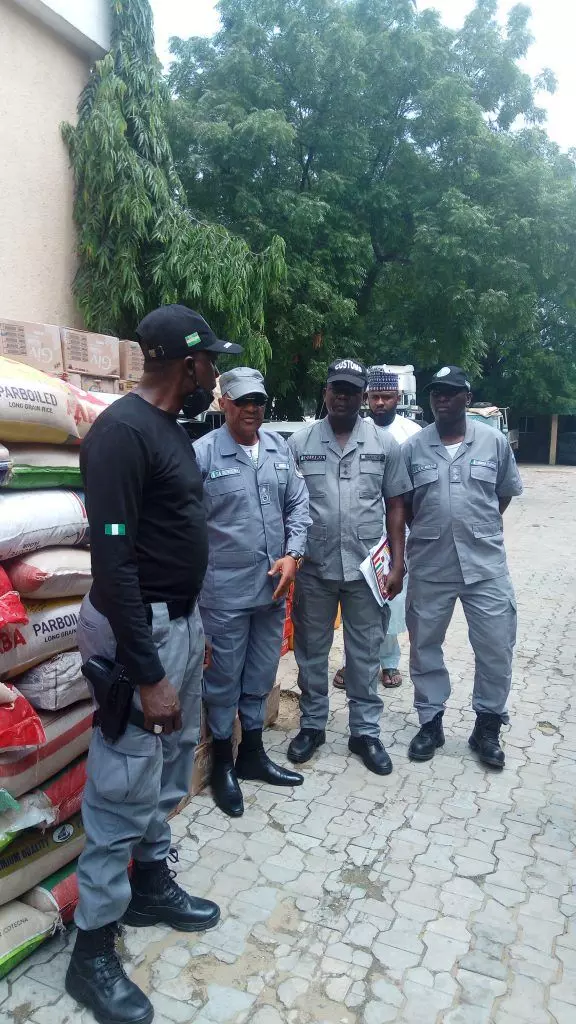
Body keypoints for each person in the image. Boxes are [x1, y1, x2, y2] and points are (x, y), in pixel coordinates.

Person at [66, 305, 242, 1024]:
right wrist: (147, 672)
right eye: (211, 363)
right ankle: (91, 952)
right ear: (188, 363)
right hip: (139, 632)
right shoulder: (120, 435)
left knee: (164, 767)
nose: (215, 375)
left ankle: (147, 886)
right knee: (122, 783)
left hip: (178, 623)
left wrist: (187, 638)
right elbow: (112, 561)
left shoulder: (168, 429)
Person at [193, 368, 310, 817]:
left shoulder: (279, 448)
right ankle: (223, 763)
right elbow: (185, 523)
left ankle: (253, 754)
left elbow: (298, 505)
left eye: (257, 401)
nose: (251, 409)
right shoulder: (203, 454)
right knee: (223, 680)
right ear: (223, 402)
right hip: (223, 594)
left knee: (261, 674)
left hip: (271, 593)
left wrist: (293, 554)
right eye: (241, 400)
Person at [287, 358, 412, 775]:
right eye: (336, 389)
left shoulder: (384, 444)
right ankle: (312, 725)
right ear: (325, 393)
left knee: (365, 653)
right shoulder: (299, 443)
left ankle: (365, 732)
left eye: (351, 391)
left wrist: (398, 563)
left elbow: (396, 505)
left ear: (363, 397)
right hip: (314, 568)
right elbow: (289, 506)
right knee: (311, 652)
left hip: (366, 571)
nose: (343, 397)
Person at [404, 365, 523, 769]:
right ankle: (430, 723)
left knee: (496, 647)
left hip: (484, 566)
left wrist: (474, 525)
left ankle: (487, 728)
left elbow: (504, 494)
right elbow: (405, 506)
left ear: (467, 399)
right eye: (436, 392)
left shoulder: (493, 442)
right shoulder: (413, 447)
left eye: (451, 392)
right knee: (424, 647)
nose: (442, 398)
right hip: (430, 565)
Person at [333, 368, 420, 691]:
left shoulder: (412, 433)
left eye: (386, 397)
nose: (380, 403)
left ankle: (389, 662)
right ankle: (351, 661)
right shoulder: (357, 429)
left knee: (391, 600)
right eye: (374, 397)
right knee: (357, 601)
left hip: (397, 530)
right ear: (366, 398)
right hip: (361, 531)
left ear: (398, 397)